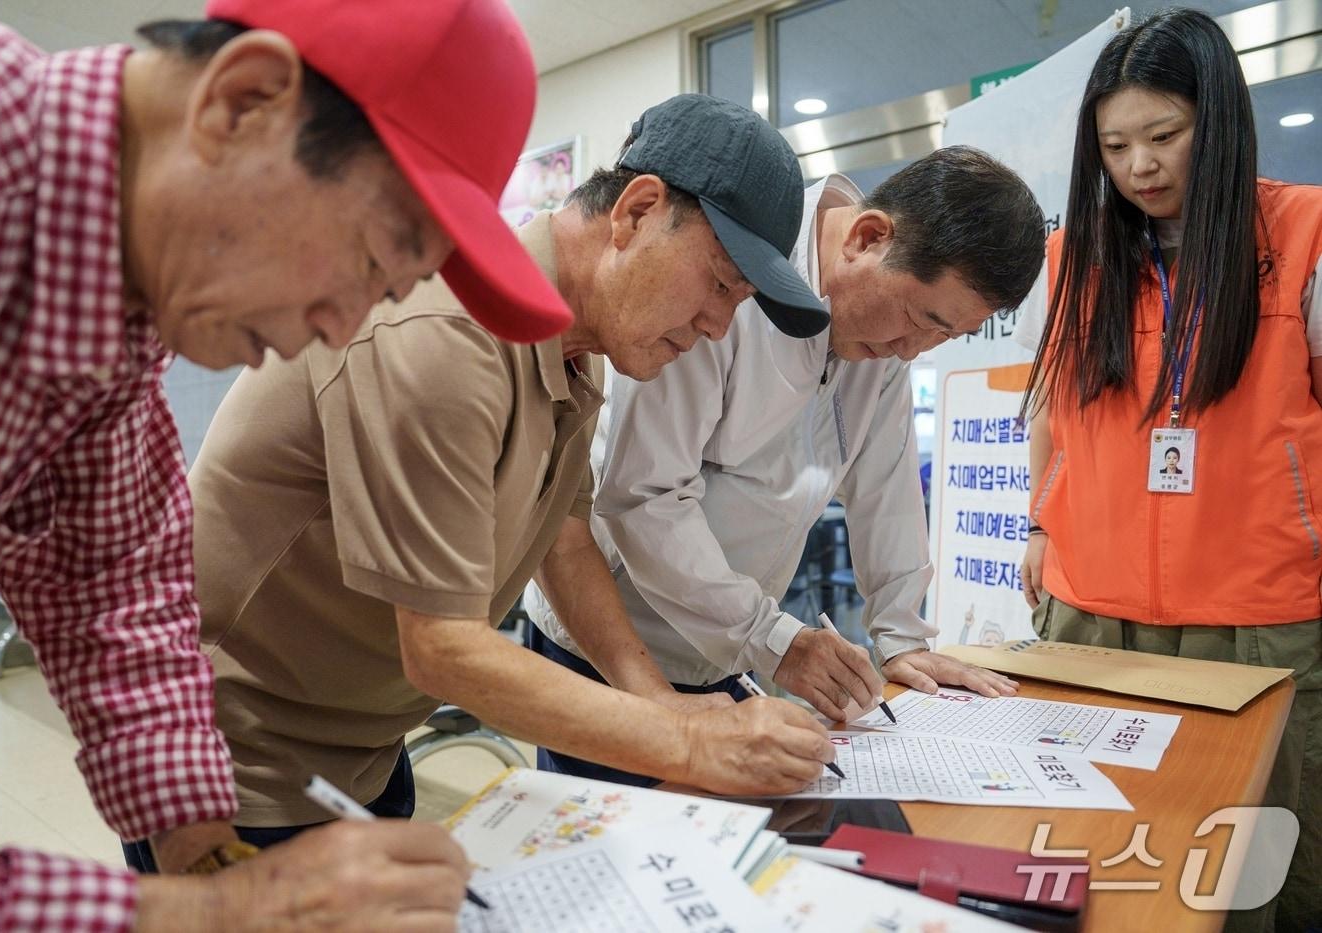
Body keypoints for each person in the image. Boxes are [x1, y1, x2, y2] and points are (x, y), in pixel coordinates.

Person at [0, 0, 573, 927]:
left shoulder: (117, 308)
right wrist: (202, 913)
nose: (345, 327)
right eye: (367, 259)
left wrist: (205, 851)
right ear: (244, 101)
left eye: (388, 296)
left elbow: (116, 592)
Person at [161, 94, 839, 853]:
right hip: (231, 761)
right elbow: (443, 645)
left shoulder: (573, 347)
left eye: (738, 303)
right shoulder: (448, 329)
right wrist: (684, 743)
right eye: (719, 283)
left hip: (361, 749)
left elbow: (566, 536)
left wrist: (663, 704)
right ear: (637, 211)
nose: (719, 326)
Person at [524, 147, 1041, 784]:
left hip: (732, 646)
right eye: (920, 318)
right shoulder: (732, 271)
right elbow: (646, 496)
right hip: (613, 641)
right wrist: (773, 639)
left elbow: (887, 488)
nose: (913, 349)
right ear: (867, 236)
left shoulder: (883, 347)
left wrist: (902, 636)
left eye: (945, 337)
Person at [1016, 9, 1321, 928]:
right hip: (1091, 615)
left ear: (1218, 123)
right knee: (1099, 864)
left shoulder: (1304, 233)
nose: (1139, 166)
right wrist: (1039, 521)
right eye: (1114, 145)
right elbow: (1048, 404)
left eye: (1164, 136)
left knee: (1249, 875)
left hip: (1256, 617)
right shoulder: (1073, 257)